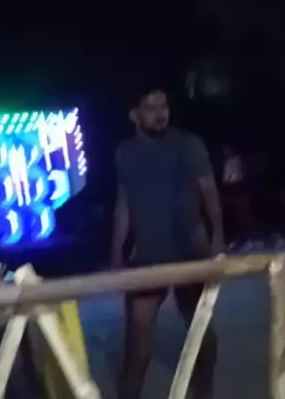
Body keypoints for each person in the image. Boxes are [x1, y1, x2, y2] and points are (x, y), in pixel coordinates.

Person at [110, 86, 223, 399]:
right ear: (134, 115)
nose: (160, 114)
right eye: (151, 108)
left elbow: (209, 193)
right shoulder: (125, 153)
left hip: (189, 250)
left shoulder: (189, 145)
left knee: (202, 332)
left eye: (164, 106)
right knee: (137, 342)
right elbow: (123, 205)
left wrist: (217, 238)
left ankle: (204, 393)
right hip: (148, 254)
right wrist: (116, 252)